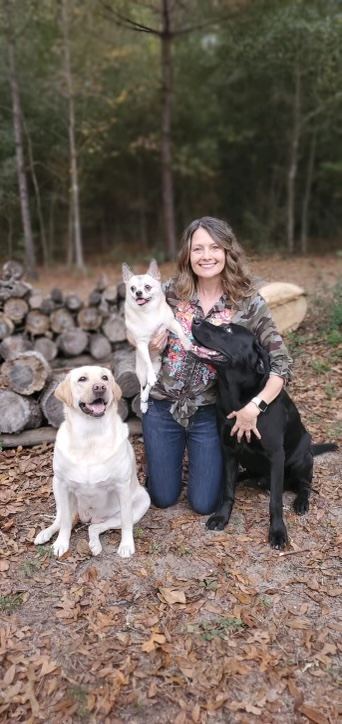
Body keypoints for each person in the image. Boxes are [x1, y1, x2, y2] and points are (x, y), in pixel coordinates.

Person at [141, 216, 293, 515]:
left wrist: (256, 407)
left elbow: (282, 363)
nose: (206, 256)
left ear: (227, 251)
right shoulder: (168, 292)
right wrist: (144, 344)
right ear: (188, 253)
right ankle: (164, 463)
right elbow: (132, 324)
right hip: (162, 405)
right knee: (162, 497)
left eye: (214, 247)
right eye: (198, 249)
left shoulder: (248, 302)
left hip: (210, 411)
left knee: (204, 504)